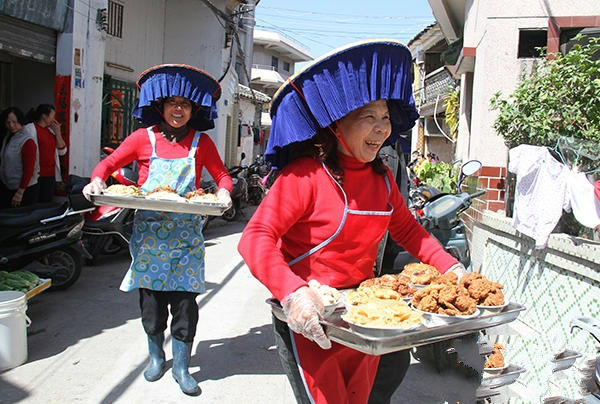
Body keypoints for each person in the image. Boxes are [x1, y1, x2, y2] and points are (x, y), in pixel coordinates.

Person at [237, 40, 466, 404]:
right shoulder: (305, 175)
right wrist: (294, 294)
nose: (381, 130)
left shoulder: (382, 178)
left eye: (386, 118)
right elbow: (255, 238)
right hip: (309, 319)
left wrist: (453, 270)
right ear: (337, 124)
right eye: (368, 118)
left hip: (362, 315)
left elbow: (409, 231)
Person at [82, 65, 232, 395]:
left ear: (194, 110)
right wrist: (96, 180)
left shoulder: (201, 142)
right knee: (151, 306)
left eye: (186, 105)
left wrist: (223, 192)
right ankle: (155, 357)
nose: (178, 110)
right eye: (172, 103)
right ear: (161, 106)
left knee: (184, 307)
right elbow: (108, 165)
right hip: (149, 240)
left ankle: (180, 366)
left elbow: (222, 176)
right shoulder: (141, 138)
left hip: (186, 241)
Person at [23, 104, 67, 202]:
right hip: (36, 175)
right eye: (52, 116)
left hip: (50, 175)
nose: (53, 119)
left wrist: (58, 133)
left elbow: (62, 151)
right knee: (34, 203)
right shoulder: (30, 128)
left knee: (46, 204)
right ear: (44, 116)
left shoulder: (51, 131)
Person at [0, 107, 40, 208]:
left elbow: (29, 169)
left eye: (14, 122)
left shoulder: (27, 140)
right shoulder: (8, 137)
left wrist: (20, 192)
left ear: (21, 121)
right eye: (8, 122)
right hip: (9, 187)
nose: (11, 125)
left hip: (24, 190)